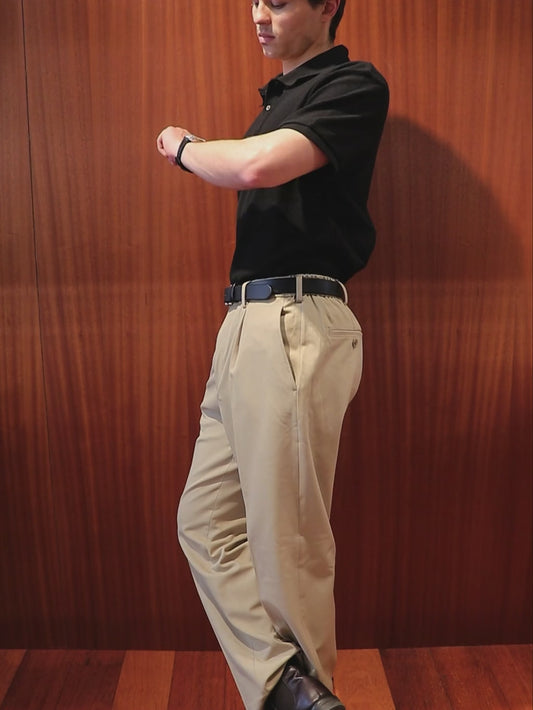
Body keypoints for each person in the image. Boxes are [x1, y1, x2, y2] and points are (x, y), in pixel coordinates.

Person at [157, 1, 388, 707]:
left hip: (294, 319)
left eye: (279, 1)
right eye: (254, 0)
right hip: (243, 325)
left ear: (327, 5)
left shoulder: (352, 85)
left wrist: (184, 146)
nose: (259, 15)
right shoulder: (277, 101)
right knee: (205, 524)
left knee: (288, 547)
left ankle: (302, 695)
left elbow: (257, 167)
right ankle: (292, 692)